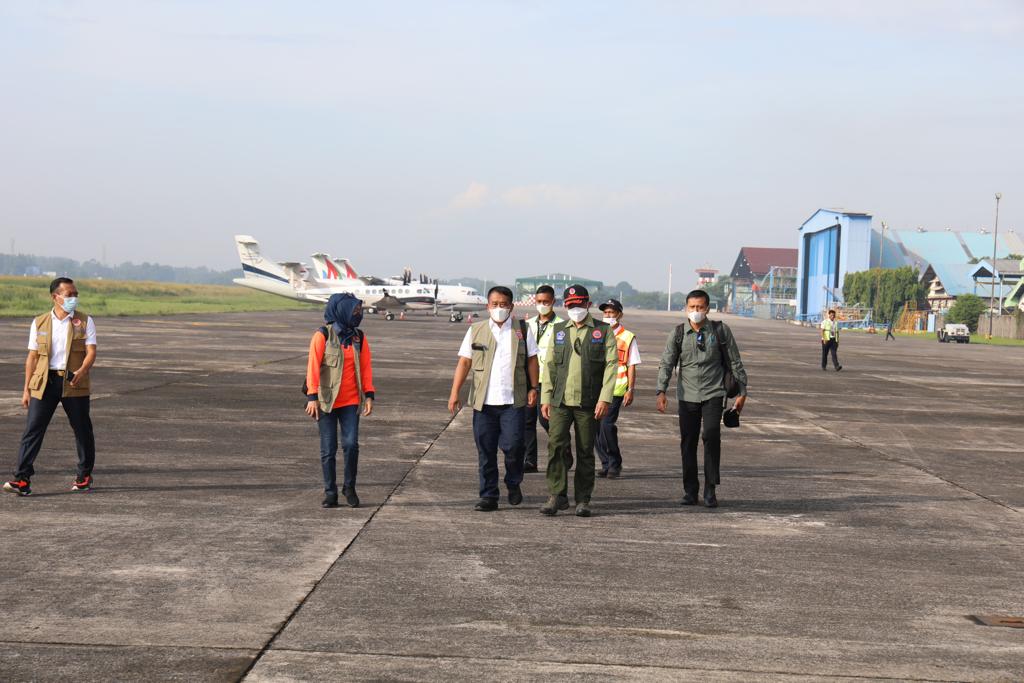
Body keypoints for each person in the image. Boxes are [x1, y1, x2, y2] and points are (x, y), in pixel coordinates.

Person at [449, 286, 540, 512]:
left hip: (513, 401)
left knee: (514, 446)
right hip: (484, 403)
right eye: (495, 304)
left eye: (504, 304)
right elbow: (464, 362)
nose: (499, 308)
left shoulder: (522, 330)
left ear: (511, 306)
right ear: (488, 306)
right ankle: (488, 495)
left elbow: (532, 360)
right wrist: (454, 393)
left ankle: (513, 482)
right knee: (486, 451)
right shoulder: (476, 330)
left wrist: (534, 388)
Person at [4, 278, 97, 497]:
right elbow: (32, 357)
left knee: (82, 429)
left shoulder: (85, 321)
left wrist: (82, 372)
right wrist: (26, 389)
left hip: (73, 381)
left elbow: (91, 351)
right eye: (68, 294)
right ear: (55, 297)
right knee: (33, 429)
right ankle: (22, 479)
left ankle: (84, 475)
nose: (73, 298)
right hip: (44, 382)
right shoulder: (40, 322)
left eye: (75, 294)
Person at [656, 289, 748, 508]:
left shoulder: (720, 331)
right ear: (686, 308)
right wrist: (661, 391)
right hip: (687, 396)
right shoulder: (678, 333)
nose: (696, 311)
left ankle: (710, 489)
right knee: (688, 442)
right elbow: (666, 363)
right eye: (692, 307)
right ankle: (690, 490)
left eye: (700, 307)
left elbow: (735, 362)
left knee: (711, 436)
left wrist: (743, 393)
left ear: (707, 308)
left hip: (713, 393)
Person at [539, 285, 617, 517]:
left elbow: (611, 366)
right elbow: (550, 366)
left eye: (579, 304)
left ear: (588, 304)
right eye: (571, 305)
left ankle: (583, 499)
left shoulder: (603, 331)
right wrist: (546, 397)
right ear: (565, 306)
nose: (575, 309)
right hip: (560, 401)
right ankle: (556, 495)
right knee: (556, 447)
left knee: (585, 450)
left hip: (588, 402)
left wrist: (605, 398)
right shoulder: (560, 330)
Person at [305, 293, 375, 509]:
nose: (358, 315)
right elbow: (313, 367)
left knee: (351, 445)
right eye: (354, 311)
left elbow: (365, 368)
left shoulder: (359, 338)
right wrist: (312, 397)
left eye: (359, 311)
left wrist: (369, 395)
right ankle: (330, 492)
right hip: (326, 401)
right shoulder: (322, 335)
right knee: (328, 449)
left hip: (351, 401)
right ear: (341, 310)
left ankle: (349, 487)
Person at [594, 298, 640, 478]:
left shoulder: (628, 337)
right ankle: (605, 463)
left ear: (619, 314)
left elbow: (632, 364)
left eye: (611, 313)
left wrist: (631, 389)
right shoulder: (596, 333)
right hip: (596, 388)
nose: (608, 316)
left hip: (616, 389)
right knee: (594, 429)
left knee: (606, 426)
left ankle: (614, 462)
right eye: (605, 313)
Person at [522, 285, 565, 473]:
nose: (542, 305)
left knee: (546, 420)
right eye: (539, 302)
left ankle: (563, 450)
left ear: (553, 302)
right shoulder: (527, 324)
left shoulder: (562, 326)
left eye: (546, 302)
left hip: (551, 380)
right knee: (527, 421)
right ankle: (530, 461)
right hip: (530, 379)